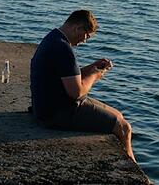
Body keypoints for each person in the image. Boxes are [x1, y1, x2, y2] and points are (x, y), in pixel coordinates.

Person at [30, 10, 135, 162]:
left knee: (118, 115)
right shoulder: (63, 49)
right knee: (124, 127)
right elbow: (76, 92)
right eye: (86, 35)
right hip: (57, 114)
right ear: (77, 28)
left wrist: (92, 67)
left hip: (45, 107)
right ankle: (131, 167)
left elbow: (66, 75)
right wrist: (95, 75)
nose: (84, 41)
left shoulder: (53, 38)